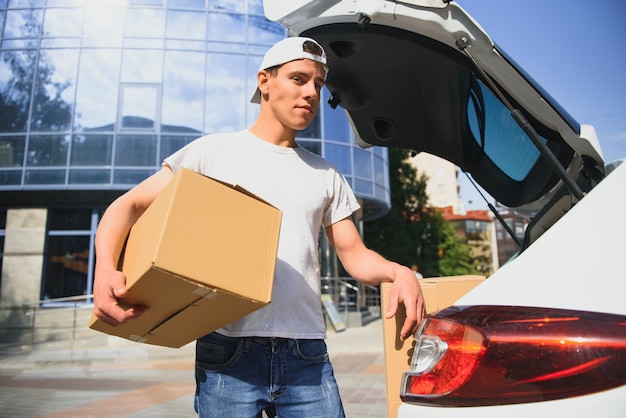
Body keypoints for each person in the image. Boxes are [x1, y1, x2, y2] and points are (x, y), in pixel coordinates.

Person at [93, 36, 424, 418]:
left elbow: (354, 255)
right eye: (299, 79)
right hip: (228, 350)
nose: (311, 93)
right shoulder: (212, 152)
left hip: (307, 354)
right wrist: (105, 269)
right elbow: (127, 206)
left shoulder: (326, 174)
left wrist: (398, 272)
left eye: (317, 84)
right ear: (264, 82)